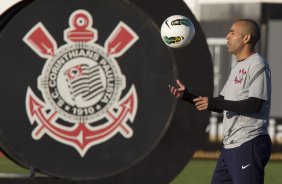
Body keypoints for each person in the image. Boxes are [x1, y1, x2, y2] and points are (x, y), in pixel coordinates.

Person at [169, 19, 272, 184]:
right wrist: (187, 96)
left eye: (232, 32)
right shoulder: (238, 67)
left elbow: (254, 105)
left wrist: (214, 103)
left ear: (246, 38)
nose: (227, 36)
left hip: (249, 143)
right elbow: (220, 103)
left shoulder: (258, 65)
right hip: (230, 146)